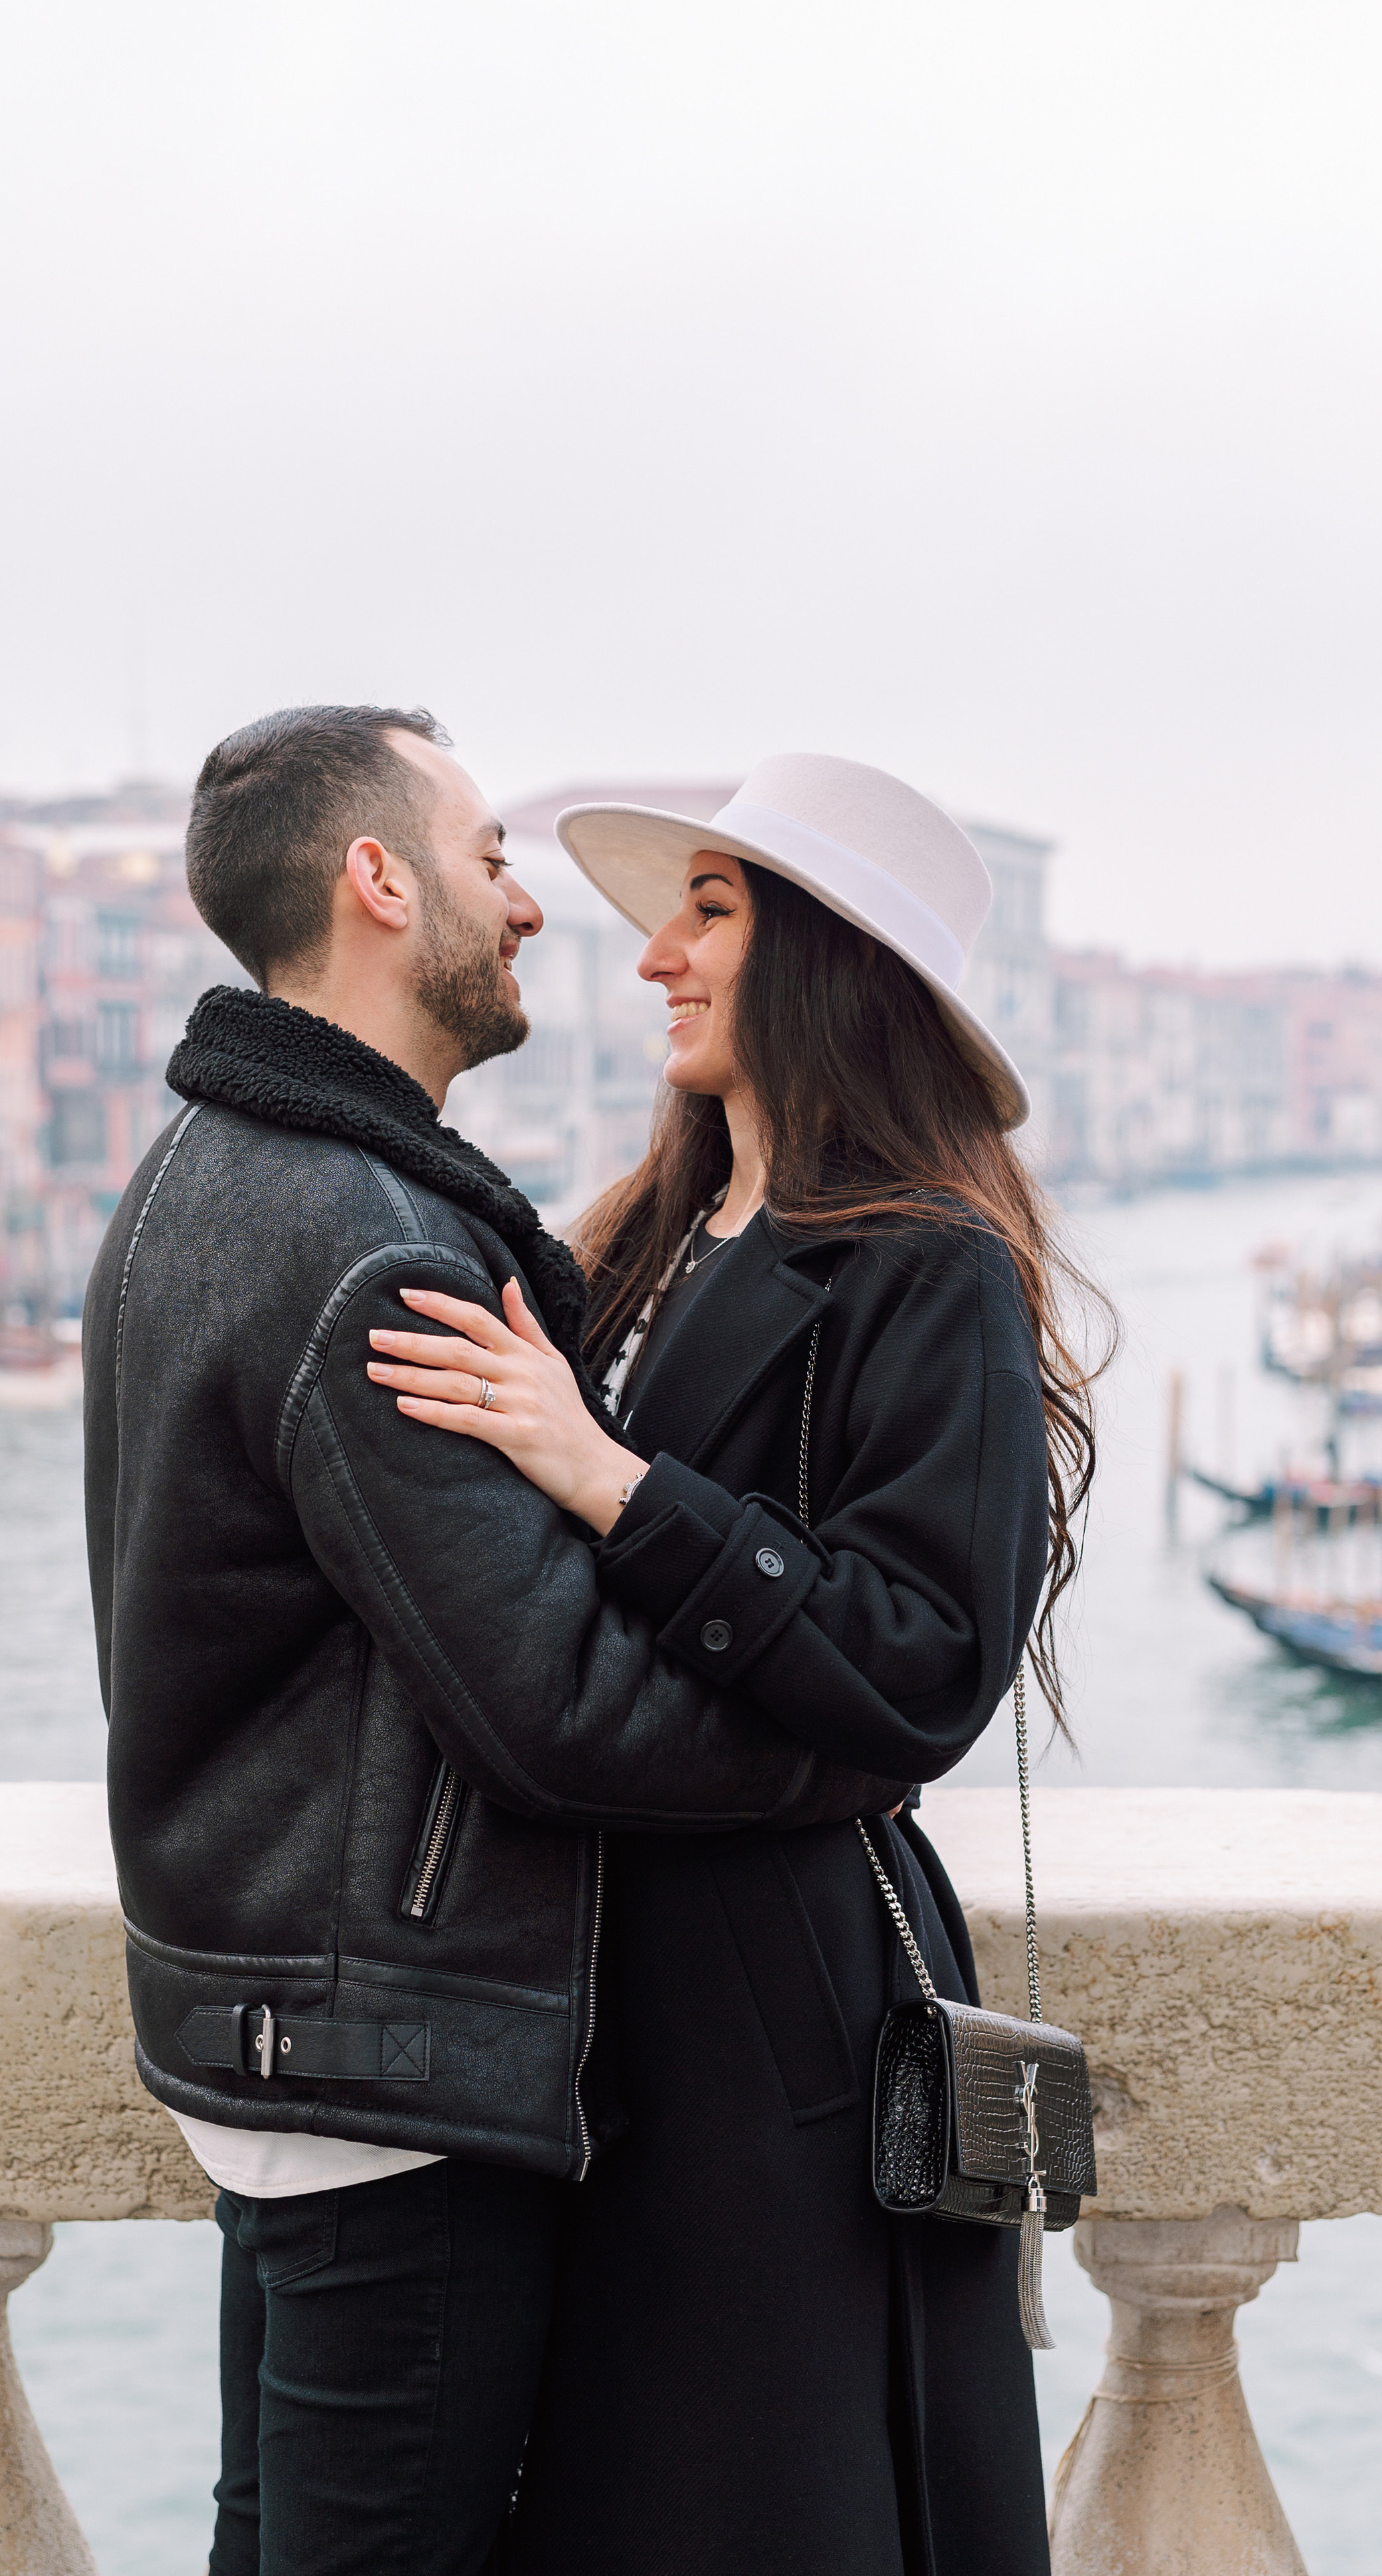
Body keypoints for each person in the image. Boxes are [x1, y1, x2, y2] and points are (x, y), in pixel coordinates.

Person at [82, 711, 898, 2576]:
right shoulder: (369, 1243)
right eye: (491, 858)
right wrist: (846, 1740)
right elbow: (560, 1710)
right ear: (378, 881)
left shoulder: (192, 1175)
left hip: (272, 2028)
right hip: (389, 2065)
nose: (530, 908)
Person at [363, 752, 1107, 2576]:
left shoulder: (927, 1267)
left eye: (711, 914)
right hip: (589, 2000)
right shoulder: (634, 1243)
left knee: (757, 2500)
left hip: (782, 2027)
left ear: (828, 962)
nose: (653, 960)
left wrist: (614, 1481)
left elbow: (925, 1666)